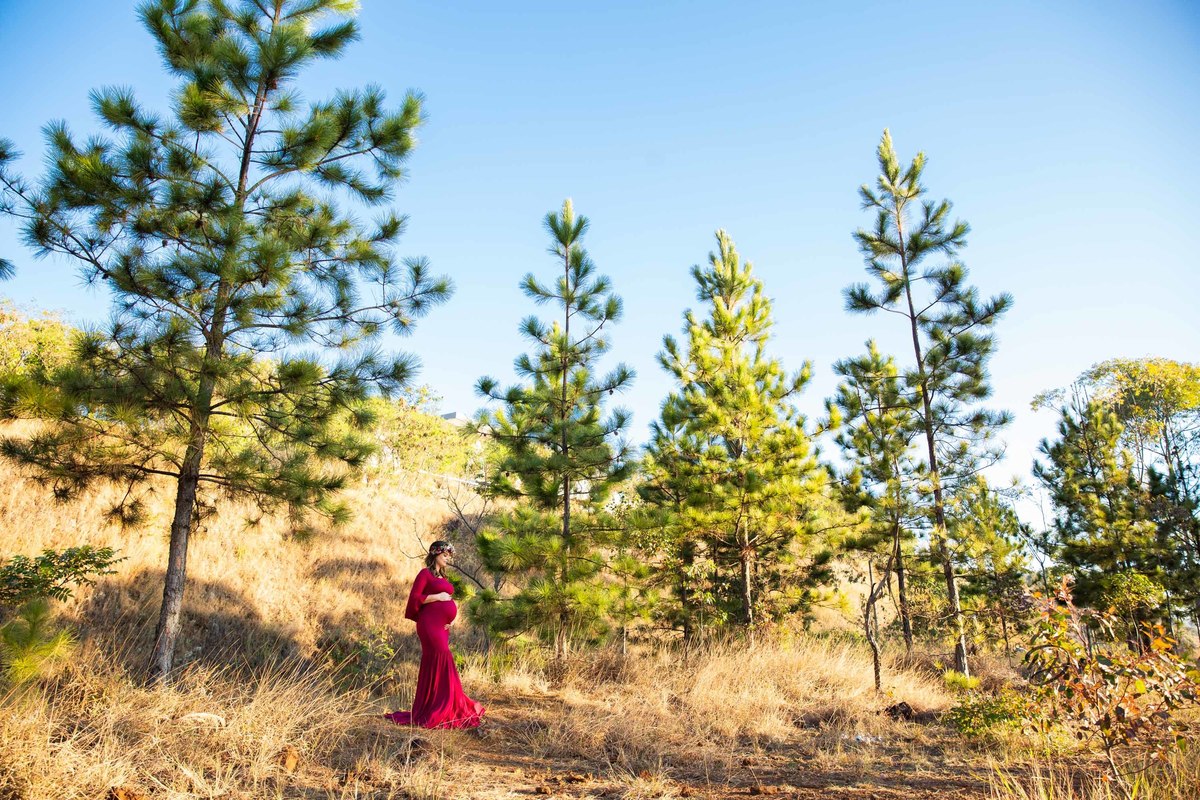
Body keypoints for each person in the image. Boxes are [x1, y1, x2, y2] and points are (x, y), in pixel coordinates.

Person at [384, 541, 485, 728]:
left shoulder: (443, 577)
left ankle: (441, 703)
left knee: (441, 659)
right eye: (445, 555)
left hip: (442, 626)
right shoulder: (425, 574)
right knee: (441, 656)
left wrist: (453, 616)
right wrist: (437, 598)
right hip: (429, 625)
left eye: (449, 556)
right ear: (435, 554)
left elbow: (449, 599)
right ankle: (439, 706)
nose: (448, 558)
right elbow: (415, 598)